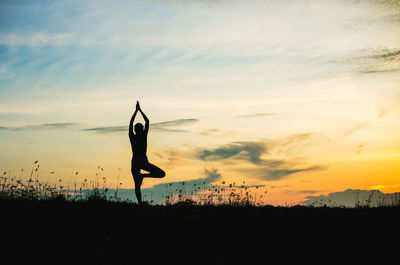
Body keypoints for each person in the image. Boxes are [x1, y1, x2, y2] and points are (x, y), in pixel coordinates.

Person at [129, 101, 165, 203]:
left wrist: (136, 111)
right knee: (162, 174)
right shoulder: (143, 136)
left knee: (137, 185)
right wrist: (140, 110)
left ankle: (140, 203)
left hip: (135, 160)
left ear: (135, 130)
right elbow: (147, 121)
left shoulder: (132, 136)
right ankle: (143, 176)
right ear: (142, 129)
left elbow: (131, 123)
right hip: (142, 160)